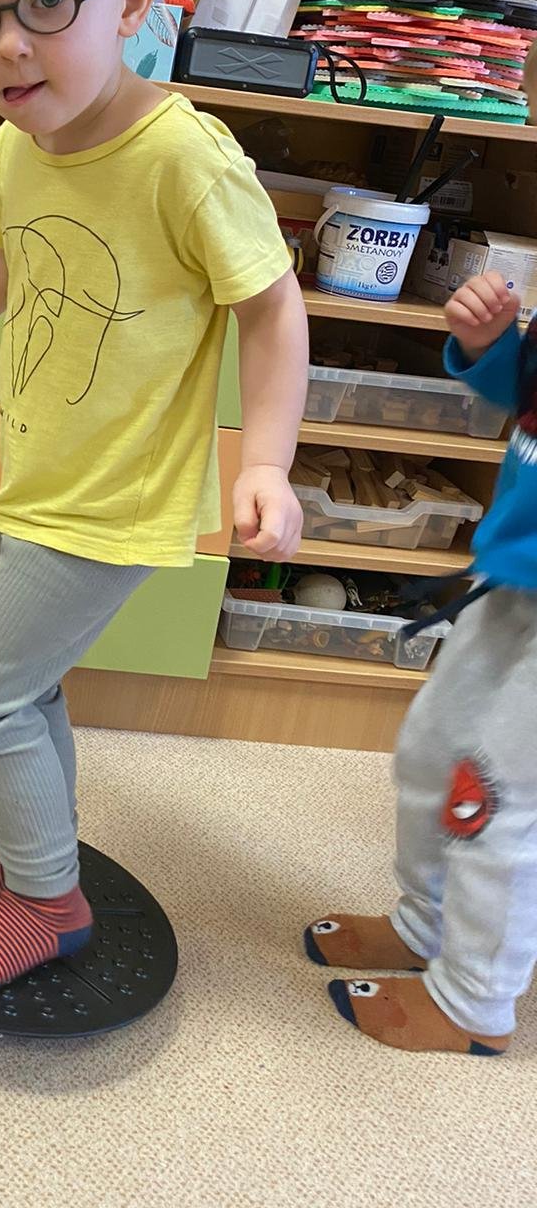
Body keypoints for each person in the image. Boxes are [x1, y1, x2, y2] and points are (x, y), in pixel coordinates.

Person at [0, 0, 308, 993]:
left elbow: (274, 308)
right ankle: (40, 850)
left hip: (113, 497)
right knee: (26, 686)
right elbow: (0, 258)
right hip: (39, 472)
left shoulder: (186, 159)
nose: (9, 45)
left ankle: (48, 900)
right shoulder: (20, 142)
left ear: (129, 2)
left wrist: (266, 461)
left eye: (45, 3)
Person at [306, 266, 537, 1056]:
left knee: (497, 800)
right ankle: (424, 925)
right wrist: (491, 348)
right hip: (513, 574)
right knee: (434, 752)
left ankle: (476, 1002)